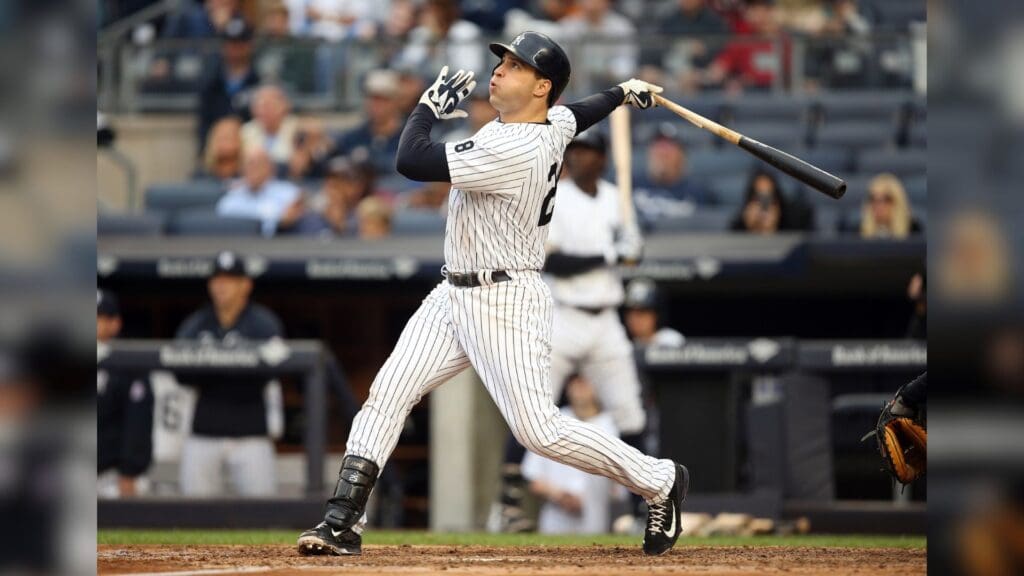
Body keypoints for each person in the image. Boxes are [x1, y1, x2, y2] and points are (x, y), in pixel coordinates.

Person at [297, 31, 688, 558]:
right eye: (502, 59)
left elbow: (411, 162)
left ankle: (659, 478)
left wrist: (425, 108)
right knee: (388, 394)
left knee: (539, 433)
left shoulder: (517, 146)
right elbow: (580, 112)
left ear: (541, 86)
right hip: (452, 291)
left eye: (516, 65)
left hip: (505, 300)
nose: (500, 69)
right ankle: (341, 521)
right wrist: (622, 91)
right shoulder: (550, 122)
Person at [492, 128, 648, 533]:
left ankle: (640, 508)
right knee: (531, 406)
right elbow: (553, 262)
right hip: (563, 315)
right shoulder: (555, 197)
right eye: (574, 152)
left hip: (607, 319)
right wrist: (610, 254)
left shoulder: (619, 199)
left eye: (587, 152)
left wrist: (631, 250)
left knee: (629, 413)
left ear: (601, 158)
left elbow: (632, 257)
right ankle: (508, 503)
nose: (579, 158)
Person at [175, 251, 285, 497]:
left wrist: (213, 365)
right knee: (194, 514)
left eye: (229, 280)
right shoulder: (197, 323)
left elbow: (273, 371)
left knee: (262, 514)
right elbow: (180, 373)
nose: (221, 286)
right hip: (204, 431)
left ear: (246, 285)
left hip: (251, 434)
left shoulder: (263, 323)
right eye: (216, 280)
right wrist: (233, 365)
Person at [522, 374, 623, 534]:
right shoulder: (551, 421)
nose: (580, 387)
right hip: (554, 521)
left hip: (594, 521)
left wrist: (589, 498)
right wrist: (560, 496)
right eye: (575, 382)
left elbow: (620, 487)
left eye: (585, 381)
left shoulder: (611, 425)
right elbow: (532, 477)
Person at [97, 290, 154, 498]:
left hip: (112, 474)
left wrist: (129, 471)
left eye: (97, 319)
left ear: (114, 324)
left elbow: (137, 422)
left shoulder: (129, 363)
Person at [196, 17, 261, 152]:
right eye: (231, 44)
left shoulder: (259, 84)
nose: (235, 49)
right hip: (217, 153)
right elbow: (203, 125)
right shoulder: (211, 85)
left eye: (240, 43)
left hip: (251, 152)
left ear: (249, 45)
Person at [634, 124, 716, 224]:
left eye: (668, 147)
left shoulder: (699, 193)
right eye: (658, 146)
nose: (662, 153)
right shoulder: (631, 186)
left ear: (681, 156)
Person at [216, 147, 304, 236]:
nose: (254, 169)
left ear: (271, 168)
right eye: (250, 164)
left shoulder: (288, 193)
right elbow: (226, 216)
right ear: (242, 168)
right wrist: (277, 219)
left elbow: (297, 205)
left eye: (260, 164)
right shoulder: (231, 199)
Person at [333, 70, 405, 176]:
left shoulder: (412, 138)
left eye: (383, 99)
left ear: (396, 101)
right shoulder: (353, 138)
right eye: (372, 98)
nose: (376, 105)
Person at [729, 169, 808, 234]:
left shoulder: (792, 224)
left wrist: (771, 229)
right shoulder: (738, 225)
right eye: (758, 198)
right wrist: (751, 228)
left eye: (768, 198)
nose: (763, 204)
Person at [241, 85, 300, 168]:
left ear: (285, 106)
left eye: (271, 105)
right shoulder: (246, 132)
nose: (265, 110)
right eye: (261, 105)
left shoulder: (298, 128)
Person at [623, 278, 685, 348]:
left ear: (655, 315)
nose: (634, 319)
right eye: (630, 313)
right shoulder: (621, 342)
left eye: (641, 312)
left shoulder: (670, 340)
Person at [859, 173, 923, 239]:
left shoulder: (913, 231)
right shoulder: (858, 232)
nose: (878, 205)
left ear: (897, 201)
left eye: (886, 199)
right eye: (873, 199)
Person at [198, 116, 245, 181]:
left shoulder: (247, 179)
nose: (222, 143)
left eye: (227, 138)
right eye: (218, 138)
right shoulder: (200, 177)